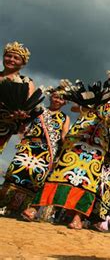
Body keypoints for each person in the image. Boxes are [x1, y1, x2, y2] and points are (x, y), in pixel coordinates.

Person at [23, 96, 110, 229]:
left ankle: (78, 217)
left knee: (88, 181)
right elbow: (74, 108)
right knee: (59, 173)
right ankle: (35, 208)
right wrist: (89, 105)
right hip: (77, 139)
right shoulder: (93, 98)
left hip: (98, 146)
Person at [0, 86, 69, 214]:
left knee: (34, 180)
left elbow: (63, 137)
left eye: (61, 99)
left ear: (65, 102)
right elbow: (24, 125)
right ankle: (4, 203)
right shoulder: (39, 110)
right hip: (29, 146)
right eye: (55, 97)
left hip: (46, 152)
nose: (57, 100)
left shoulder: (65, 118)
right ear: (50, 97)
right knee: (15, 173)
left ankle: (20, 209)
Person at [0, 41, 35, 153]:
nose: (11, 60)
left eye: (16, 58)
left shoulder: (26, 82)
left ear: (23, 64)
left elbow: (29, 106)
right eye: (8, 56)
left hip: (3, 126)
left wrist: (22, 114)